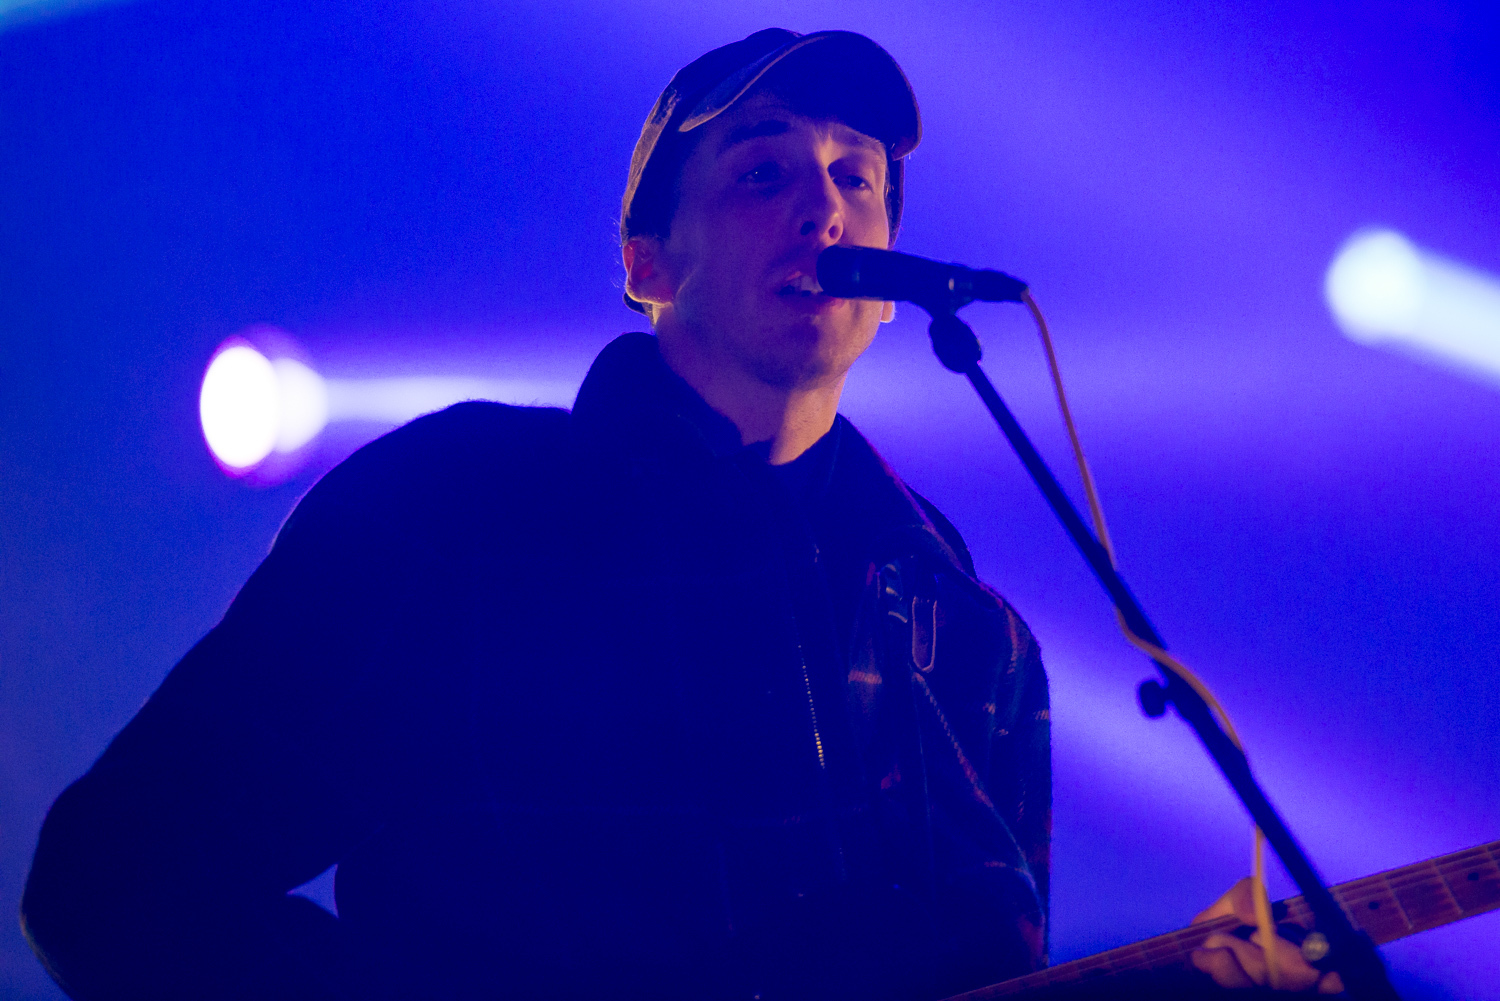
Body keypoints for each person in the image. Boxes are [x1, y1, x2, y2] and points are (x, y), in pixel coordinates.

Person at [21, 28, 1336, 1001]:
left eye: (857, 176)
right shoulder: (460, 509)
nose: (824, 205)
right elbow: (117, 879)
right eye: (763, 174)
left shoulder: (968, 635)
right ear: (649, 262)